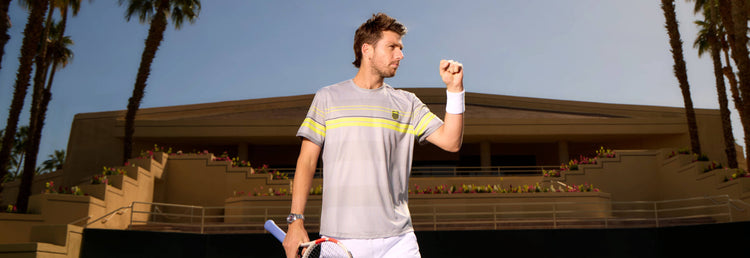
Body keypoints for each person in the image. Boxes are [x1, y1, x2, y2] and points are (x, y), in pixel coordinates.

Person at [283, 12, 465, 258]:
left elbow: (451, 142)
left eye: (400, 48)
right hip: (339, 240)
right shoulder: (327, 98)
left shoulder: (407, 102)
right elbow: (306, 161)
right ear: (366, 50)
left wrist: (454, 91)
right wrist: (296, 221)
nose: (400, 55)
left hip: (398, 241)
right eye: (392, 47)